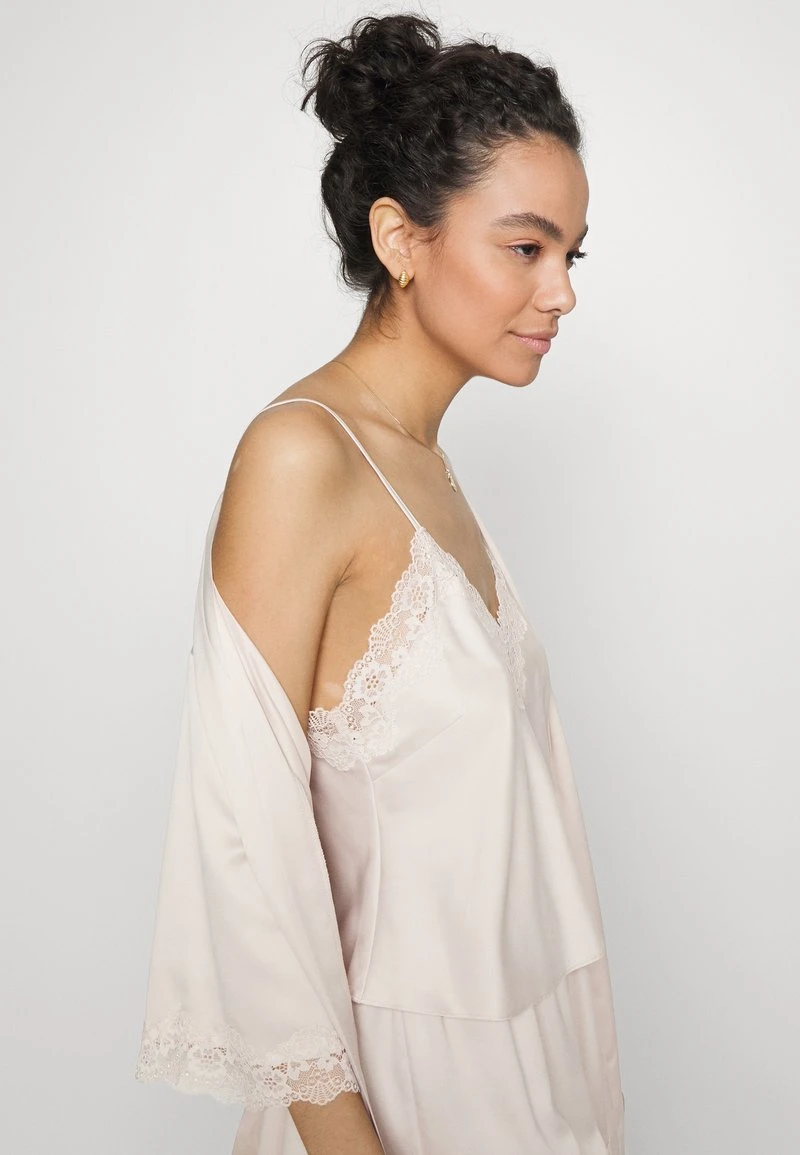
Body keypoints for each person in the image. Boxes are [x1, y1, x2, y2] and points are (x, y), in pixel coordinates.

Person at [135, 12, 625, 1155]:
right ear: (400, 238)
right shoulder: (300, 456)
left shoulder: (426, 468)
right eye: (525, 249)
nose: (560, 293)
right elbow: (244, 845)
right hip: (394, 1097)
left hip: (521, 1083)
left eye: (571, 255)